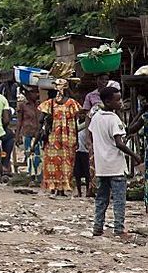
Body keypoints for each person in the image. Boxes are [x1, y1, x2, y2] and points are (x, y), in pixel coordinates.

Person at [89, 87, 141, 237]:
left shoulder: (96, 117)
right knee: (119, 200)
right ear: (107, 101)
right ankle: (119, 229)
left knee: (101, 199)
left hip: (101, 166)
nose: (120, 103)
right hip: (116, 166)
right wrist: (134, 155)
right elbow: (119, 143)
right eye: (117, 100)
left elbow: (94, 137)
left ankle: (97, 227)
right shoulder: (113, 119)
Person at [40, 79, 81, 196]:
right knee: (66, 163)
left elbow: (40, 120)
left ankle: (55, 188)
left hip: (54, 139)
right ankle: (61, 188)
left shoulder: (50, 103)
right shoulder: (72, 103)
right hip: (69, 138)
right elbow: (76, 122)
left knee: (53, 162)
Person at [15, 86, 42, 179]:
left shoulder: (40, 105)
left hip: (38, 134)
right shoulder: (22, 105)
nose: (36, 94)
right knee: (29, 154)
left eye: (37, 92)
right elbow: (19, 121)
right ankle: (31, 175)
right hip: (27, 133)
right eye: (33, 92)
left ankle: (38, 176)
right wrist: (17, 136)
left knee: (38, 156)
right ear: (27, 94)